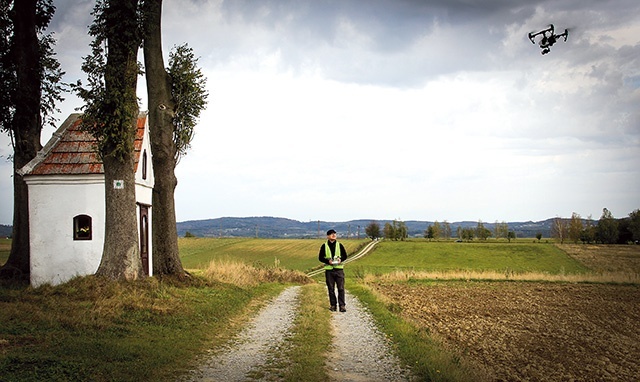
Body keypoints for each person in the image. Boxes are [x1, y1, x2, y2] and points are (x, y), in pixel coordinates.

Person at [318, 229, 348, 312]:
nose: (334, 235)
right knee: (331, 289)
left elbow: (345, 256)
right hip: (329, 270)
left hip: (339, 269)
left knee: (341, 288)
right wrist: (328, 261)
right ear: (327, 236)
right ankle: (333, 305)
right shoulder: (324, 246)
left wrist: (340, 260)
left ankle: (342, 306)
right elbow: (320, 257)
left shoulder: (340, 245)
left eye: (334, 234)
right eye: (331, 234)